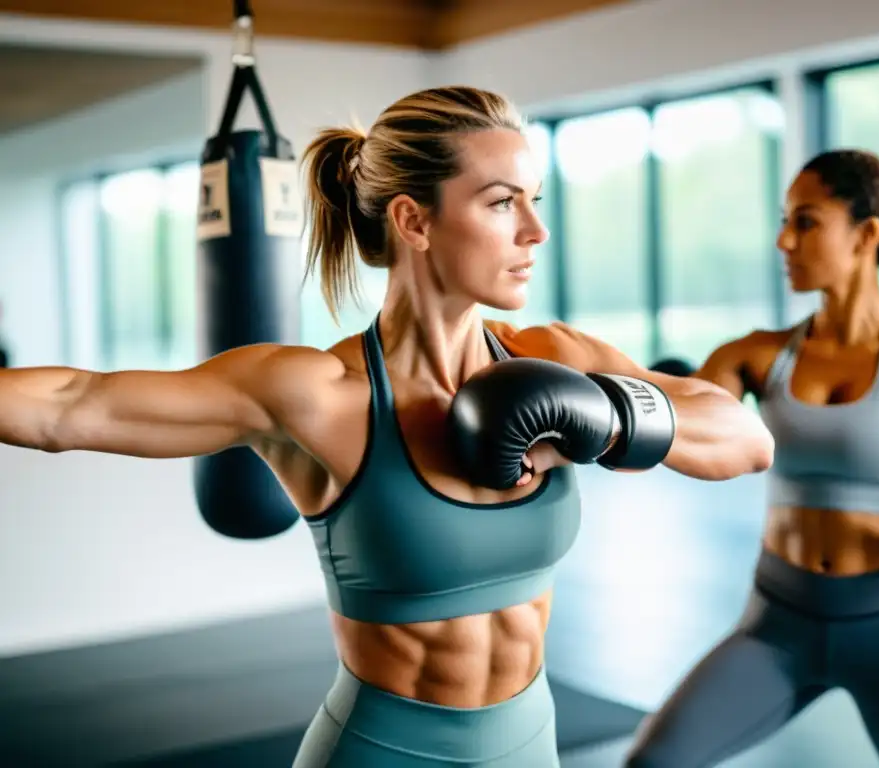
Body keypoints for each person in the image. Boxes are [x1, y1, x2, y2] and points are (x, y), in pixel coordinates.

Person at [0, 86, 774, 767]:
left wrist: (607, 415)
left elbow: (745, 439)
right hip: (383, 750)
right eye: (503, 202)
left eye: (535, 200)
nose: (535, 230)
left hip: (530, 741)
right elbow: (73, 404)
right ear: (414, 220)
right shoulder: (319, 396)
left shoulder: (556, 358)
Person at [624, 148, 879, 768]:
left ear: (866, 234)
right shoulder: (756, 355)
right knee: (654, 762)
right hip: (777, 623)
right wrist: (629, 397)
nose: (784, 239)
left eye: (805, 221)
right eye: (784, 220)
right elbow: (677, 432)